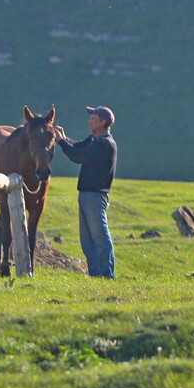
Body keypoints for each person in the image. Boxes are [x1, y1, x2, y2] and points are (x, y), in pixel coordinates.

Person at [54, 105, 118, 278]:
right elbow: (78, 146)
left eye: (93, 119)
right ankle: (96, 275)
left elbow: (78, 156)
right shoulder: (94, 140)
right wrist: (64, 137)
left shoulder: (105, 144)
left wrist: (60, 141)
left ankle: (107, 275)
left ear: (103, 122)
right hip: (86, 195)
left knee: (100, 238)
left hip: (95, 196)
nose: (89, 121)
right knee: (88, 240)